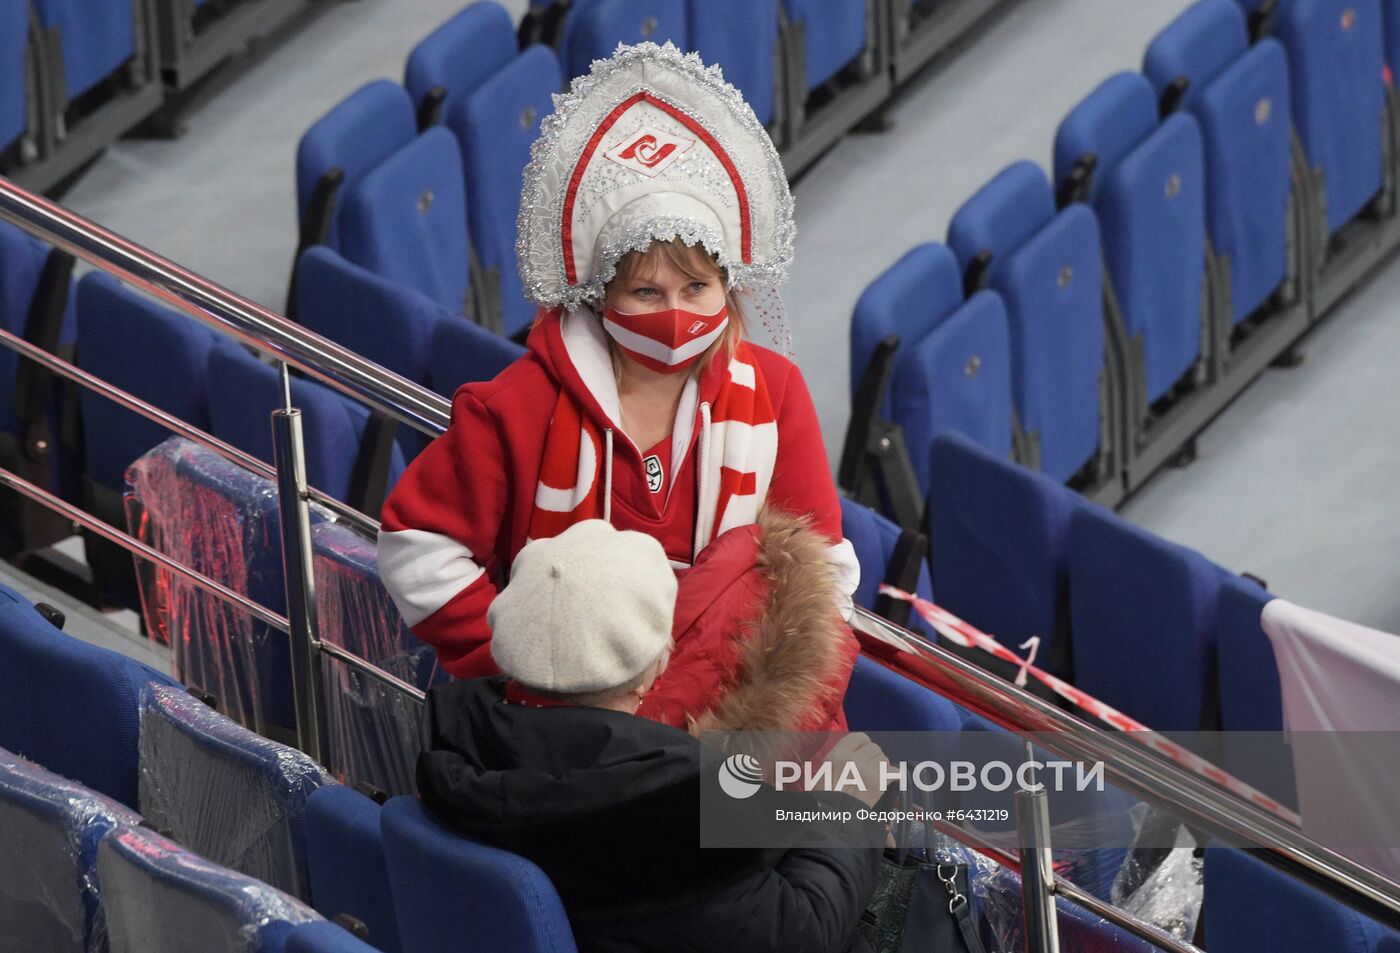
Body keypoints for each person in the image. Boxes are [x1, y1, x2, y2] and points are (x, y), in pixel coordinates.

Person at [379, 42, 860, 732]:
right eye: (645, 290)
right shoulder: (521, 405)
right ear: (598, 296)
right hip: (578, 732)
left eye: (697, 286)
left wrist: (766, 721)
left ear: (728, 285)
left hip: (745, 721)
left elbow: (826, 579)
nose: (676, 312)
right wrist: (526, 658)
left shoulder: (775, 391)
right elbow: (414, 545)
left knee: (834, 831)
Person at [417, 520, 888, 953]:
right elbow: (800, 933)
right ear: (655, 666)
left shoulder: (458, 748)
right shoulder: (673, 807)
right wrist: (847, 807)